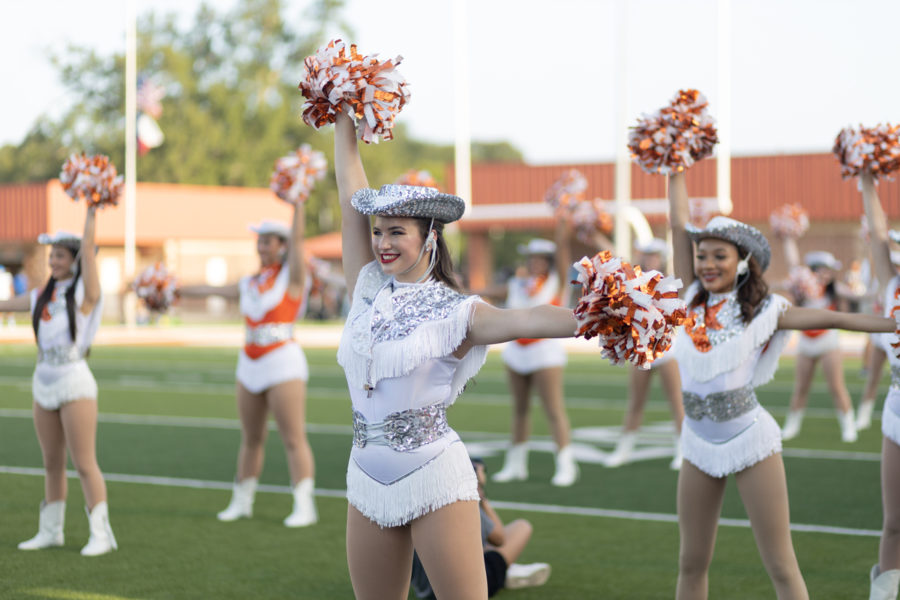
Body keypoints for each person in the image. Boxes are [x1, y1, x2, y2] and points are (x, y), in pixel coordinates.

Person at [334, 111, 584, 600]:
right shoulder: (365, 287)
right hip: (364, 473)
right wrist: (342, 117)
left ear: (429, 236)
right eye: (379, 231)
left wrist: (601, 316)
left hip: (434, 475)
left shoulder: (457, 311)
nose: (382, 243)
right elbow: (349, 200)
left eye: (396, 232)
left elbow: (528, 318)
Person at [667, 172, 895, 600]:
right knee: (691, 561)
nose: (707, 264)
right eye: (702, 255)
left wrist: (892, 323)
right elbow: (677, 224)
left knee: (780, 563)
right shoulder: (689, 297)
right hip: (697, 441)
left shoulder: (764, 309)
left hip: (751, 440)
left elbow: (835, 318)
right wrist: (673, 166)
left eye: (719, 255)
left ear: (741, 263)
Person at [179, 203, 317, 527]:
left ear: (282, 246)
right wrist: (171, 289)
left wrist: (298, 204)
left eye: (268, 240)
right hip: (250, 362)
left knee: (293, 437)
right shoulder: (248, 283)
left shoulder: (293, 276)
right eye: (259, 240)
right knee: (251, 437)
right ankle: (242, 500)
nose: (261, 246)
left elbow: (299, 242)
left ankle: (304, 504)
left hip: (282, 360)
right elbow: (211, 289)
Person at [0, 205, 118, 556]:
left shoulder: (84, 295)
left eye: (61, 255)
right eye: (52, 255)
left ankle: (101, 533)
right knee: (51, 462)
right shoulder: (42, 295)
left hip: (74, 383)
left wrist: (91, 211)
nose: (53, 261)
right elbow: (7, 305)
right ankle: (51, 530)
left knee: (84, 462)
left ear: (76, 259)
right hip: (43, 381)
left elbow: (90, 252)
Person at [492, 236, 578, 487]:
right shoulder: (517, 283)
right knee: (519, 410)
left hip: (545, 352)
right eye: (531, 258)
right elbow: (490, 292)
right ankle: (516, 464)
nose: (534, 262)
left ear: (549, 261)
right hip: (516, 352)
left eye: (540, 258)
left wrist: (563, 228)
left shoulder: (557, 283)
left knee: (553, 409)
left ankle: (566, 465)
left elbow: (564, 254)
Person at [410, 458, 551, 599]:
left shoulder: (410, 502)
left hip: (424, 591)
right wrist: (480, 493)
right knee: (522, 526)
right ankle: (506, 573)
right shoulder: (460, 500)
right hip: (462, 588)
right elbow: (499, 538)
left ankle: (508, 571)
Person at [604, 238, 685, 469]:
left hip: (667, 348)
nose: (650, 259)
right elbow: (615, 263)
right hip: (641, 348)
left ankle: (682, 449)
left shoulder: (669, 282)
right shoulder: (633, 281)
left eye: (654, 255)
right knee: (635, 402)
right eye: (646, 255)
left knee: (676, 402)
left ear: (661, 258)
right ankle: (625, 449)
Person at [860, 172, 900, 599]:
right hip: (896, 411)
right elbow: (876, 232)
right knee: (894, 522)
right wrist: (868, 180)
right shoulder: (891, 285)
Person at [777, 235, 859, 442]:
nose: (828, 274)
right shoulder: (803, 286)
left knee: (836, 387)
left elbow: (856, 296)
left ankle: (848, 426)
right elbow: (793, 263)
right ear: (814, 269)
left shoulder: (834, 289)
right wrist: (788, 239)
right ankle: (792, 426)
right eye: (825, 269)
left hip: (828, 342)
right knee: (801, 388)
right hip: (806, 342)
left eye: (830, 270)